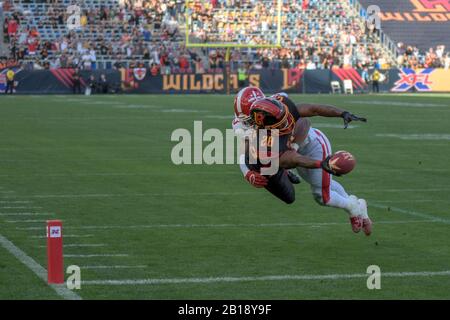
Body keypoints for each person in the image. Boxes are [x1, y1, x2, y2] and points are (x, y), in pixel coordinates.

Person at [233, 87, 372, 235]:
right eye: (246, 119)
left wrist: (342, 113)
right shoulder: (242, 124)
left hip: (313, 145)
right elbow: (245, 151)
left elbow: (306, 119)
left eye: (252, 117)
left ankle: (353, 208)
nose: (251, 122)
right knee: (323, 185)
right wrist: (247, 173)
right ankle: (359, 208)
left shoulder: (280, 105)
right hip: (294, 154)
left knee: (322, 196)